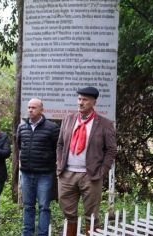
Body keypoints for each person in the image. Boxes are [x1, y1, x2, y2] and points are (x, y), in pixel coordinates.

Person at [57, 87, 117, 236]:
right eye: (79, 99)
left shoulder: (105, 124)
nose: (81, 102)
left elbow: (111, 150)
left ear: (93, 102)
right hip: (67, 174)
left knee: (91, 215)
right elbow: (60, 144)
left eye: (85, 100)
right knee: (68, 213)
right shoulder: (68, 119)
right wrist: (59, 164)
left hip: (91, 176)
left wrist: (103, 171)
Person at [17, 98, 60, 236]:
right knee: (28, 206)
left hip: (45, 175)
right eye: (29, 107)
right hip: (26, 174)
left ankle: (42, 234)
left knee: (44, 207)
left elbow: (58, 149)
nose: (30, 110)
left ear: (42, 110)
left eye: (34, 107)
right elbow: (19, 146)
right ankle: (27, 233)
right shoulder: (22, 127)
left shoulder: (52, 128)